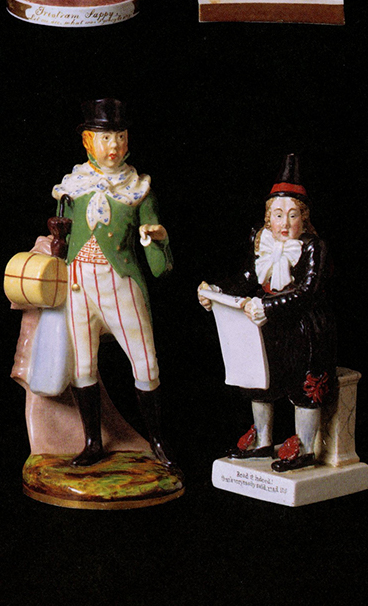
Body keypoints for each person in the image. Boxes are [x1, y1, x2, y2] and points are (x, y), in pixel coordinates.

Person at [50, 99, 175, 466]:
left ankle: (157, 440)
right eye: (105, 137)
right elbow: (60, 235)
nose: (114, 145)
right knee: (83, 365)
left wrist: (157, 238)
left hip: (119, 283)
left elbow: (157, 257)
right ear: (88, 141)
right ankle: (93, 442)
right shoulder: (73, 186)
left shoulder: (138, 189)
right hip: (77, 284)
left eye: (120, 136)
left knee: (146, 363)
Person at [198, 155, 336, 472]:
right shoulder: (262, 241)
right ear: (268, 217)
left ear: (304, 218)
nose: (284, 224)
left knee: (303, 386)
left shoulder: (313, 247)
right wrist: (217, 291)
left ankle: (304, 446)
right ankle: (262, 439)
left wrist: (267, 306)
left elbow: (307, 291)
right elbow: (248, 277)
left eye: (292, 215)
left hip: (303, 330)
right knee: (259, 381)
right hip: (267, 329)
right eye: (278, 215)